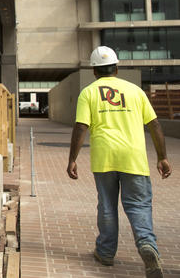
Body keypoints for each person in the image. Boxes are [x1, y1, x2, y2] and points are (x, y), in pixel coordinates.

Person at [67, 46, 171, 278]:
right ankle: (147, 245)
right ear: (116, 68)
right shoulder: (135, 91)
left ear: (94, 70)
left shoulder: (89, 93)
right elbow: (154, 124)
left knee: (107, 207)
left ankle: (105, 253)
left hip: (104, 157)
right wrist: (162, 156)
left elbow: (81, 126)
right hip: (134, 158)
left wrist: (72, 159)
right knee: (139, 206)